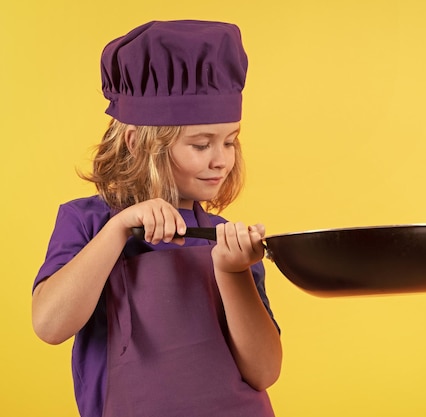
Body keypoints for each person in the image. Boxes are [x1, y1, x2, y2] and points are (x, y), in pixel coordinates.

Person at [31, 20, 282, 417]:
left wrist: (234, 274)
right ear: (137, 142)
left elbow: (264, 372)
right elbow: (49, 325)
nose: (221, 159)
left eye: (230, 141)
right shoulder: (88, 223)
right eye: (201, 144)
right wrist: (118, 229)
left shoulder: (226, 240)